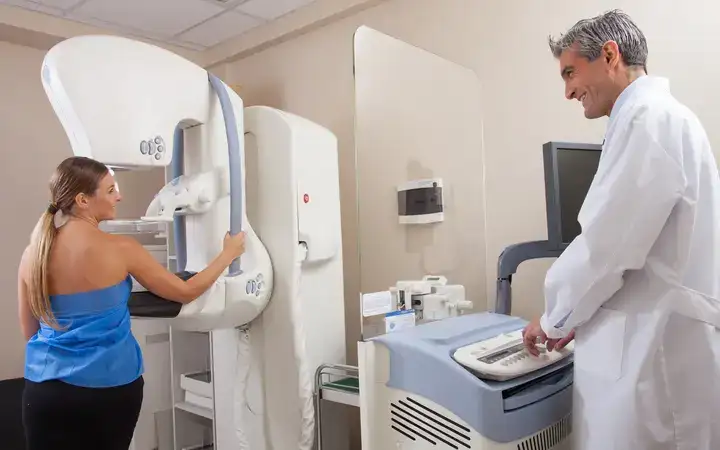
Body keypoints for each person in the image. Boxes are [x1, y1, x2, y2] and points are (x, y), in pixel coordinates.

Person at [521, 9, 720, 450]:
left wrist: (554, 316)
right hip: (664, 342)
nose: (569, 90)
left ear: (609, 55)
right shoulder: (660, 118)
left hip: (655, 358)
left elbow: (607, 247)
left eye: (571, 72)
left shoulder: (647, 119)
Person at [18, 156, 246, 450]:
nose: (119, 196)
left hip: (44, 391)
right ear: (83, 200)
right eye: (111, 190)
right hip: (109, 389)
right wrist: (228, 254)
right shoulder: (121, 249)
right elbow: (186, 291)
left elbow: (29, 332)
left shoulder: (32, 255)